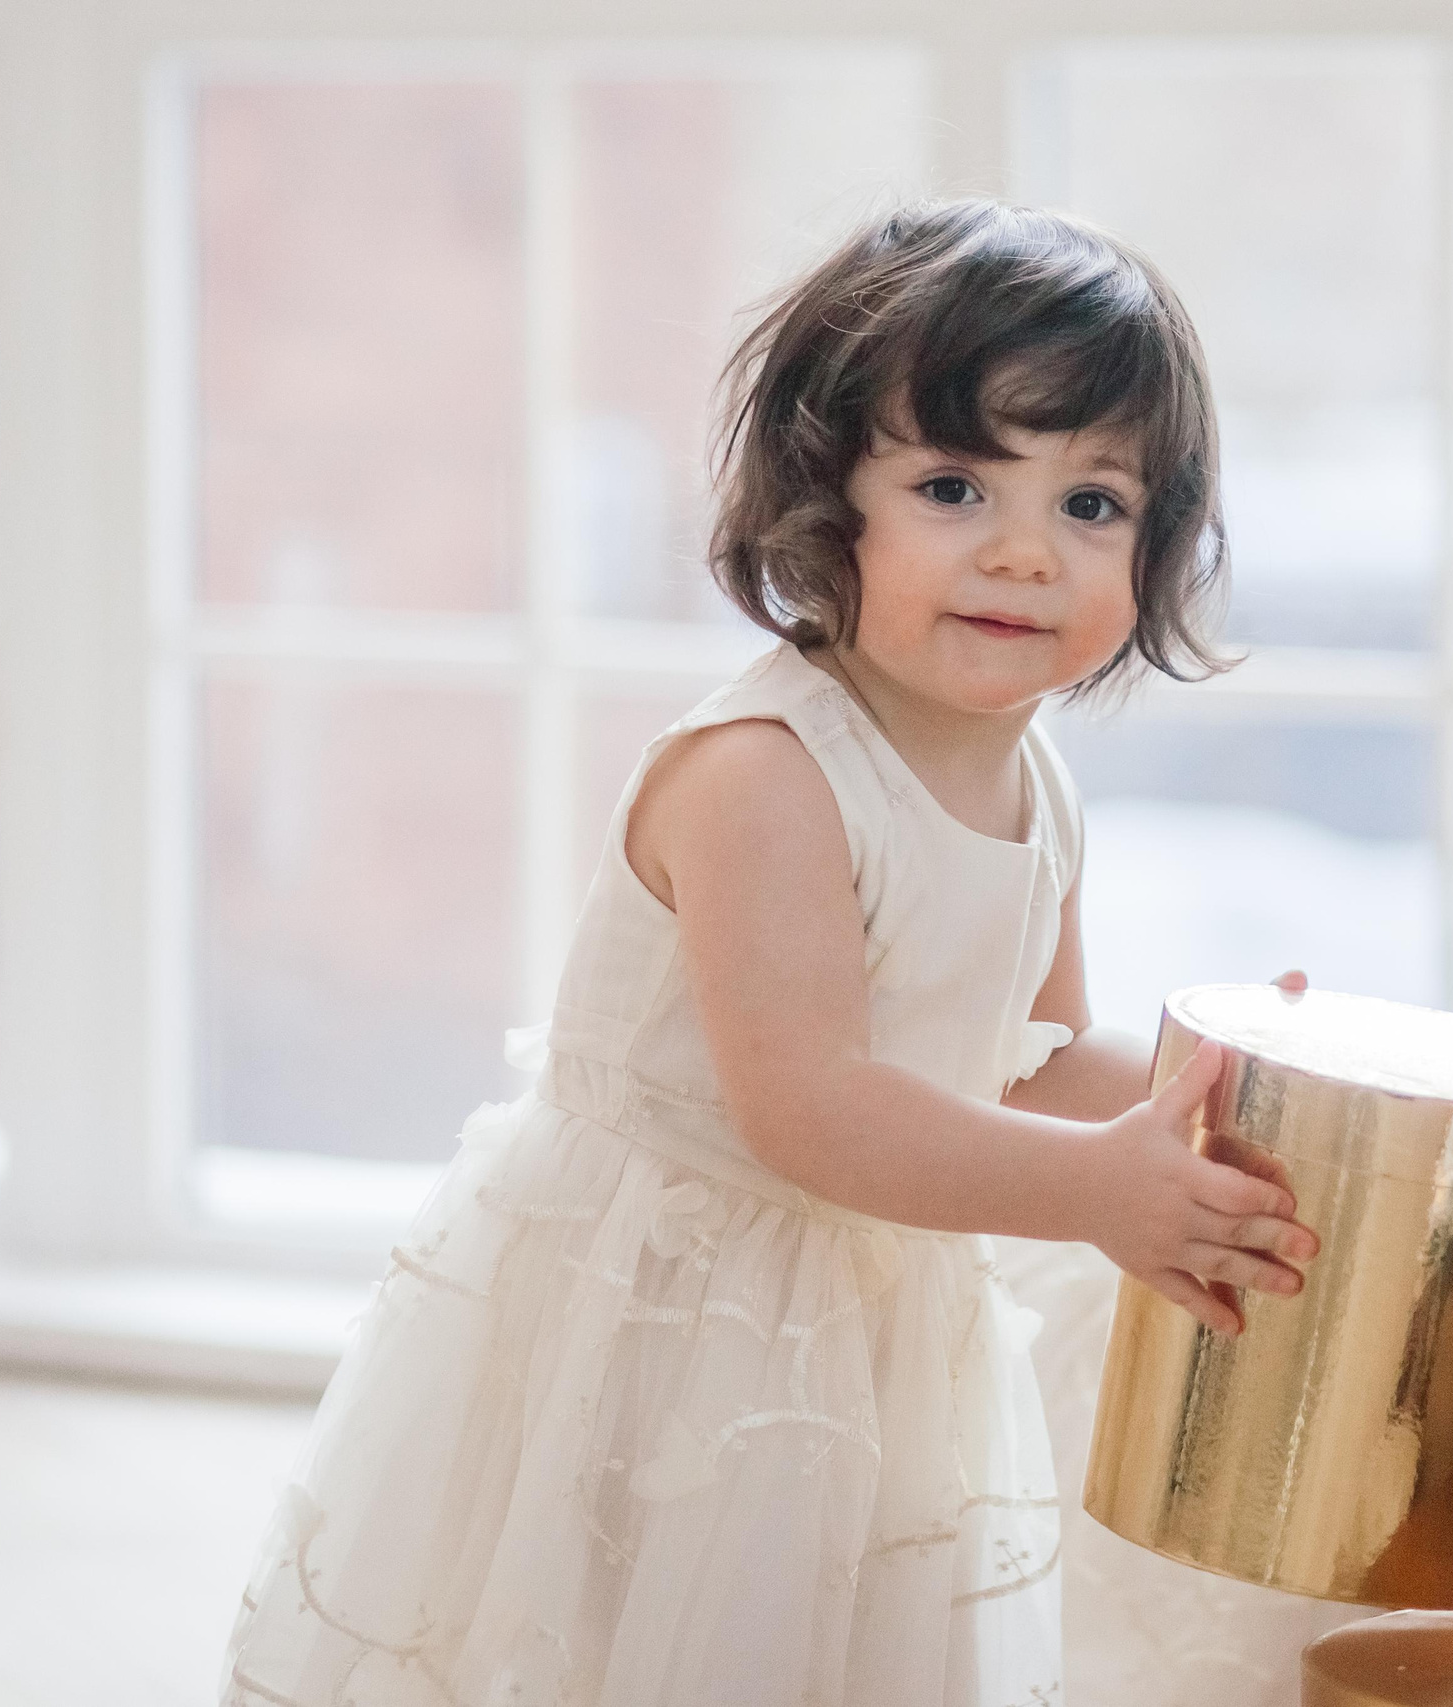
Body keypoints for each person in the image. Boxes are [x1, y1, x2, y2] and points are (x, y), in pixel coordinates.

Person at [220, 198, 1322, 1707]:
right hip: (676, 1309)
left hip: (869, 1305)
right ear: (821, 503)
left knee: (850, 1645)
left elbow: (1038, 1058)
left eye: (1091, 504)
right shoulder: (765, 773)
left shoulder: (1032, 776)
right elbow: (809, 1107)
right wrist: (1095, 1193)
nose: (1024, 553)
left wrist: (1219, 1090)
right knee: (636, 1644)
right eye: (953, 486)